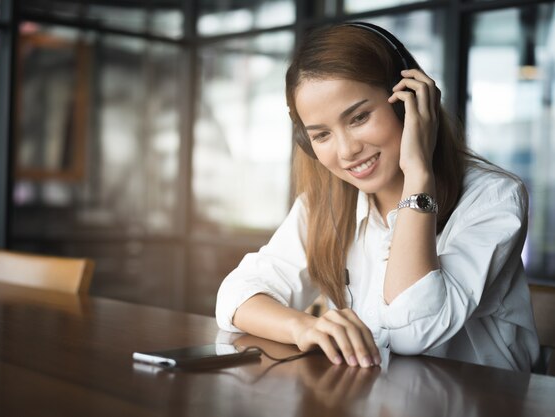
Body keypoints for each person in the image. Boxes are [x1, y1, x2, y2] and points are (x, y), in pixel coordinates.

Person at [215, 21, 539, 371]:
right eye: (322, 135)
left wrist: (418, 173)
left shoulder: (493, 197)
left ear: (408, 103)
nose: (347, 150)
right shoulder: (325, 203)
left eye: (359, 117)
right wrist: (303, 326)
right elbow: (235, 296)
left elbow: (414, 330)